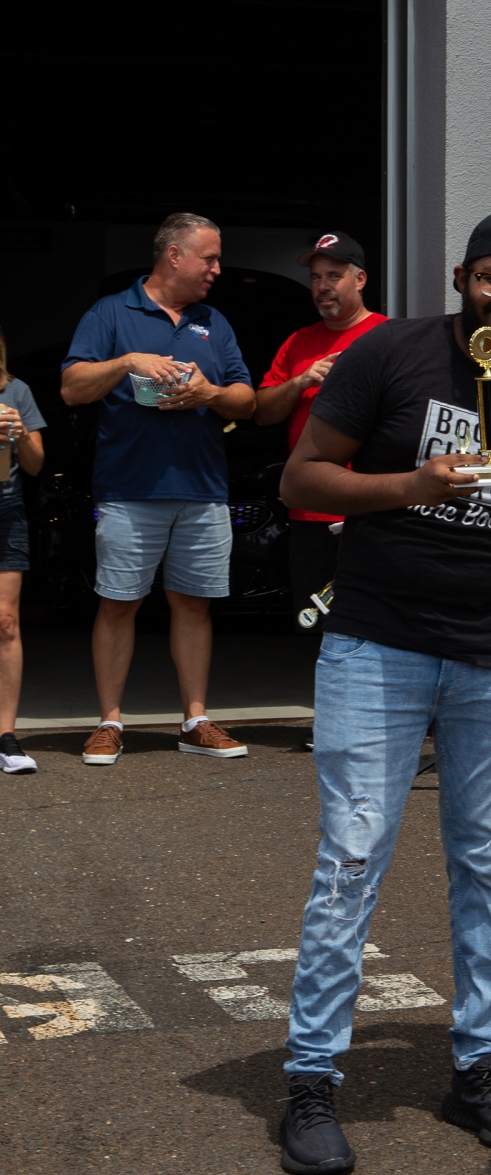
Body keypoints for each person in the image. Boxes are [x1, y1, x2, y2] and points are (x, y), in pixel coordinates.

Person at [276, 209, 491, 1175]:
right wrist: (410, 487)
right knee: (351, 858)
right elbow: (301, 479)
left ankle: (479, 1068)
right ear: (462, 277)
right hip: (377, 645)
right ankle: (310, 1080)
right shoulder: (390, 355)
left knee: (488, 866)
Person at [61, 213, 255, 765]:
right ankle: (109, 722)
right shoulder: (110, 313)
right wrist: (127, 361)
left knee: (193, 605)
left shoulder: (213, 321)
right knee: (118, 604)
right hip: (129, 489)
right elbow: (71, 387)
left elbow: (247, 400)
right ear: (174, 256)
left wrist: (210, 394)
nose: (217, 269)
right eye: (209, 258)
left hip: (202, 490)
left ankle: (195, 720)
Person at [255, 232, 387, 634]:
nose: (322, 286)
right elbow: (262, 412)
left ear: (359, 279)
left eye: (333, 275)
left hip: (370, 510)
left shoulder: (389, 337)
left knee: (371, 626)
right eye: (316, 278)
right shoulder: (299, 341)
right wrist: (301, 381)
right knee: (314, 625)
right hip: (309, 509)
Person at [0, 330, 47, 774]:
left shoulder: (15, 391)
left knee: (6, 622)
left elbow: (35, 465)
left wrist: (20, 433)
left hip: (6, 513)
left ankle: (6, 736)